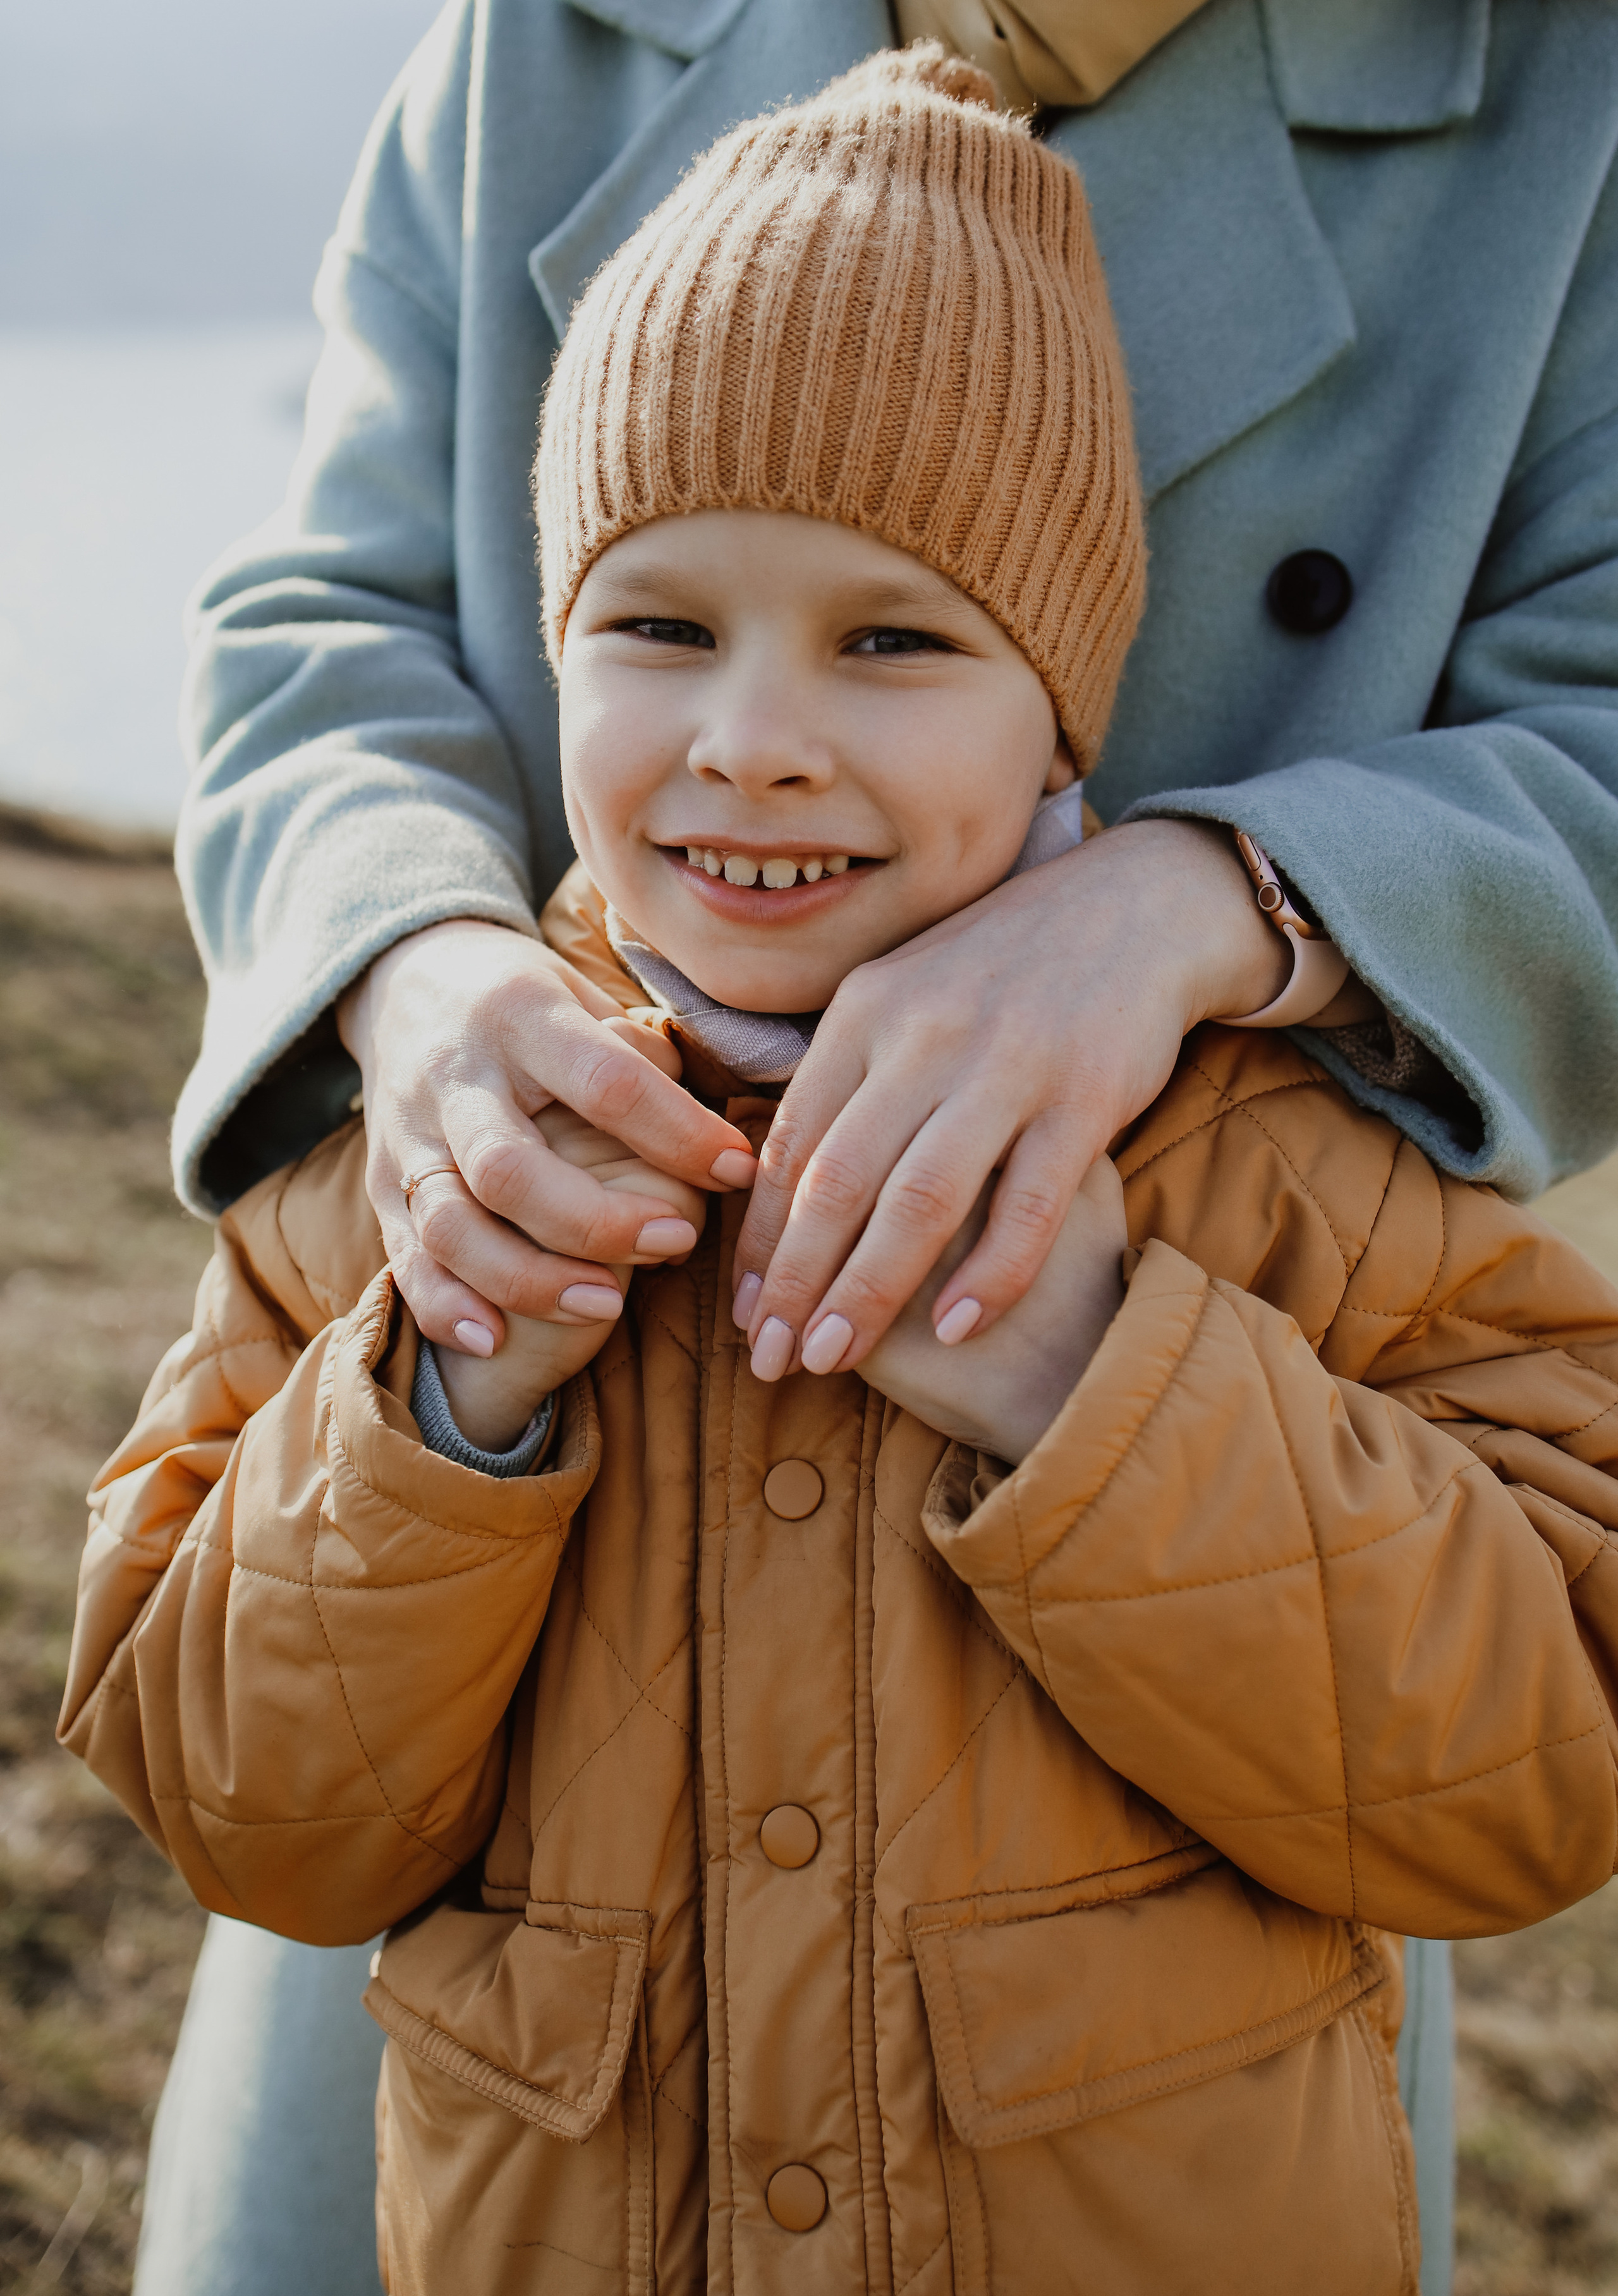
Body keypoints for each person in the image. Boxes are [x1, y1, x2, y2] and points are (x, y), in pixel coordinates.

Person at [67, 51, 1618, 2295]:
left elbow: (1527, 1760)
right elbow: (235, 1791)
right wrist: (442, 1354)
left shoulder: (1275, 1185)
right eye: (660, 626)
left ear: (1069, 699)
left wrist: (1104, 1375)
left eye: (897, 637)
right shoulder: (402, 1233)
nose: (756, 738)